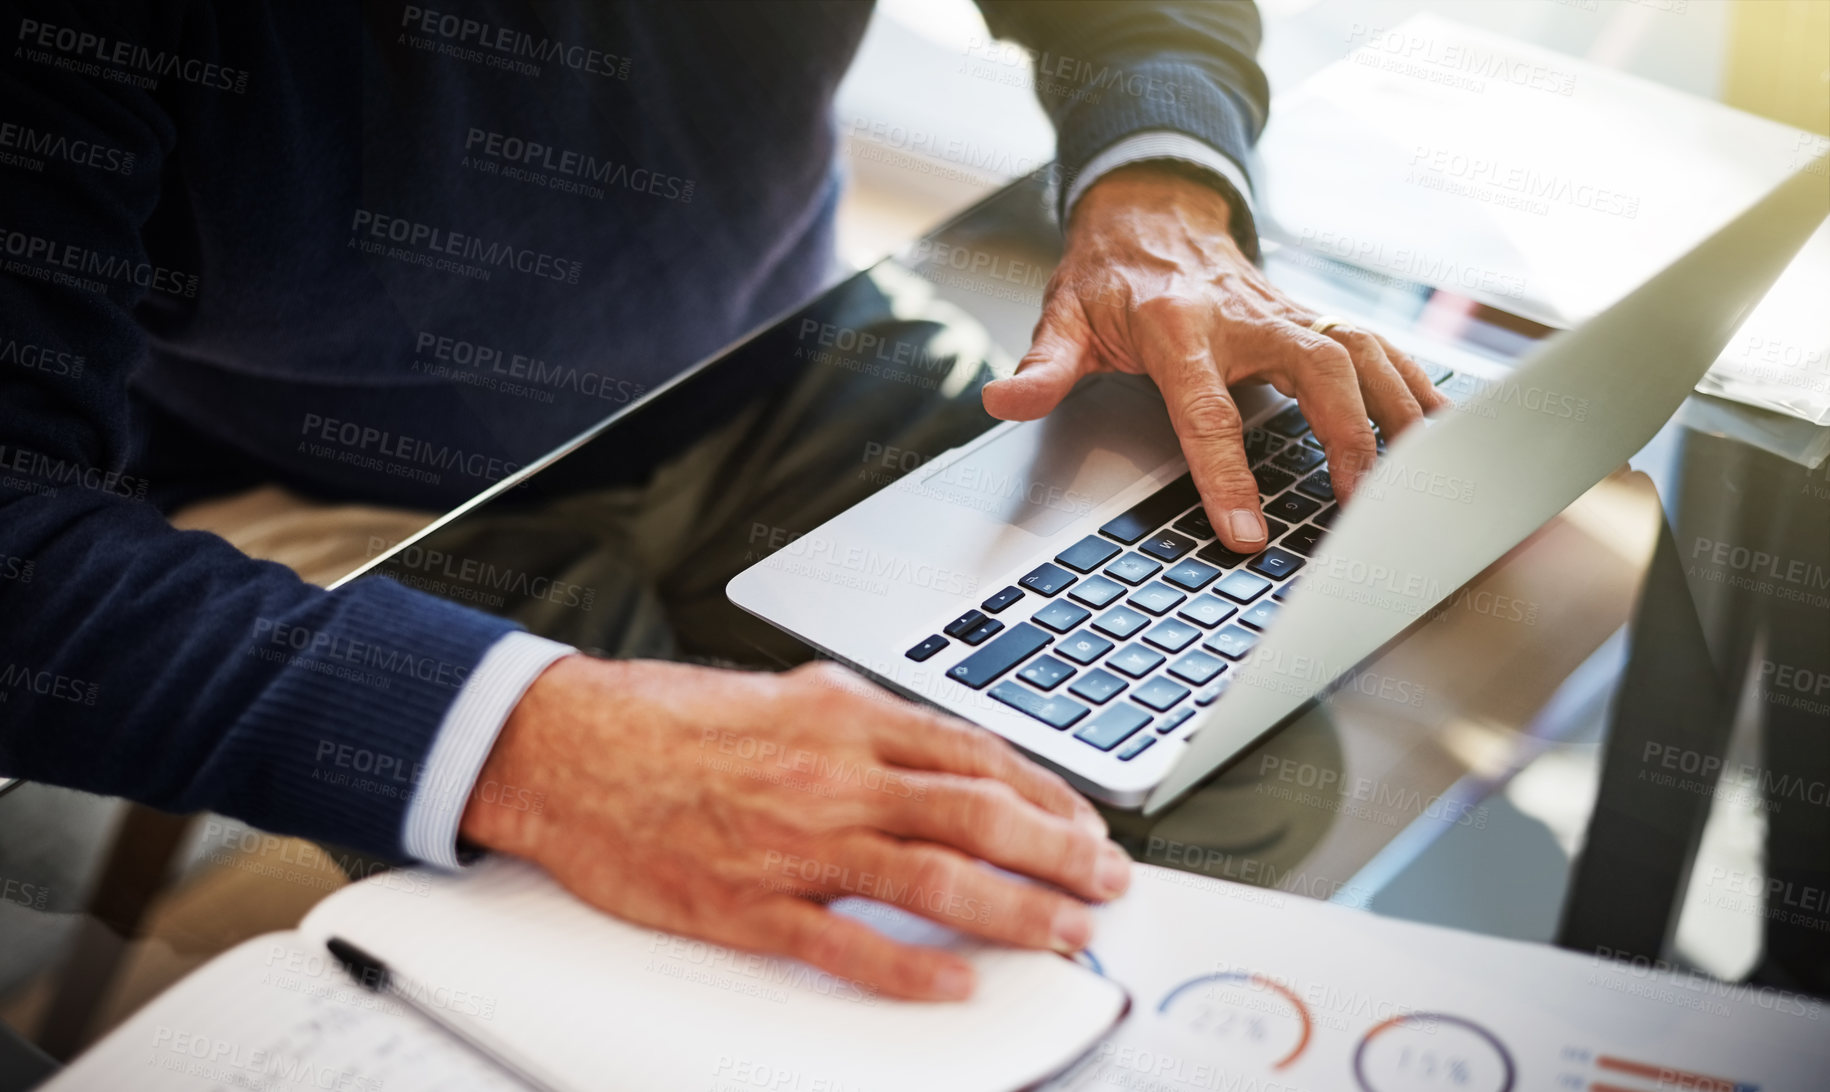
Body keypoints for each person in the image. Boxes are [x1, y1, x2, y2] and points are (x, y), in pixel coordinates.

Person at [0, 1, 1443, 1000]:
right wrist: (522, 740)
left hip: (784, 357)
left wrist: (1158, 186)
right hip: (323, 473)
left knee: (1220, 776)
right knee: (678, 962)